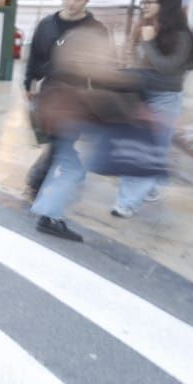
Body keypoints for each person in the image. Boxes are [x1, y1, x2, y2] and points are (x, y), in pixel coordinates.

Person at [29, 17, 138, 243]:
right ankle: (48, 214)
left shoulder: (75, 35)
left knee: (64, 161)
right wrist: (134, 80)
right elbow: (94, 72)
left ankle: (46, 208)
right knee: (71, 167)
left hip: (57, 107)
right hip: (64, 110)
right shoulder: (83, 37)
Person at [112, 0, 193, 218]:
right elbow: (129, 57)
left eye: (149, 3)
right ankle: (151, 184)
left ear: (165, 6)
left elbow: (167, 68)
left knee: (151, 149)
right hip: (138, 94)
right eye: (143, 3)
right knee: (142, 148)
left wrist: (149, 42)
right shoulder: (141, 27)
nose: (144, 7)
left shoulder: (180, 35)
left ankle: (126, 202)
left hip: (165, 96)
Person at [23, 0, 107, 199]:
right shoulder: (47, 25)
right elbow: (35, 56)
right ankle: (74, 171)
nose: (71, 3)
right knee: (56, 140)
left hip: (78, 95)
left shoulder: (96, 29)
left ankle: (36, 182)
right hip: (49, 91)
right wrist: (29, 81)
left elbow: (104, 65)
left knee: (61, 140)